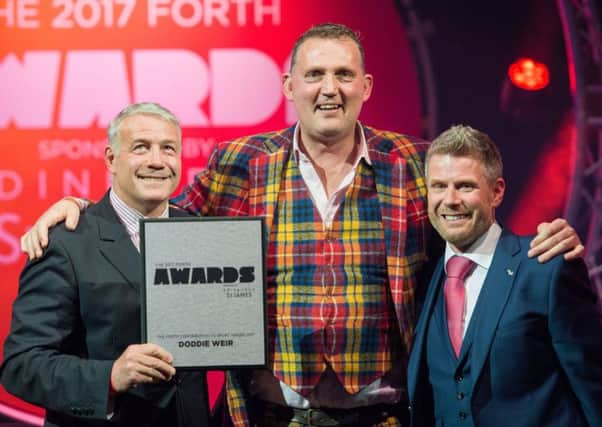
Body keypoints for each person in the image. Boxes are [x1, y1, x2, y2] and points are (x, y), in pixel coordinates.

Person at [19, 25, 583, 427]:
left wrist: (536, 241)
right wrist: (76, 209)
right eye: (314, 74)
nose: (328, 88)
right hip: (265, 415)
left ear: (366, 87)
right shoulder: (239, 162)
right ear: (289, 87)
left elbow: (471, 227)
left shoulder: (414, 162)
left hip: (385, 416)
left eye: (343, 74)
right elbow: (156, 217)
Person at [1, 103, 212, 427]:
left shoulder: (201, 235)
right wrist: (109, 376)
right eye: (141, 148)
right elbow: (21, 364)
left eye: (168, 149)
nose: (157, 161)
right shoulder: (66, 242)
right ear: (111, 159)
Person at [407, 125, 602, 427]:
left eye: (465, 186)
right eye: (438, 186)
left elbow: (594, 385)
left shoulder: (545, 266)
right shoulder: (421, 276)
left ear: (497, 192)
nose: (450, 199)